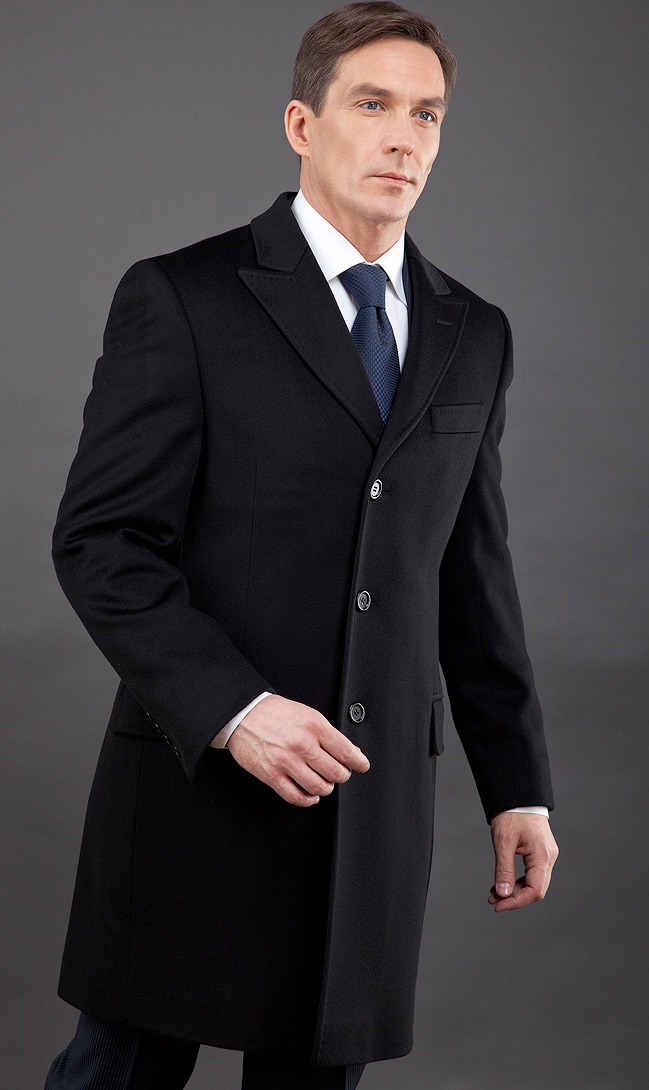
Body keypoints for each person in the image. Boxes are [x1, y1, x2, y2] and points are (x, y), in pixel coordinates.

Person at [43, 4, 558, 1088]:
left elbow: (469, 577)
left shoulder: (475, 331)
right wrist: (236, 710)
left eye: (426, 113)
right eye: (372, 104)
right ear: (301, 124)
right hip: (193, 794)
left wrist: (517, 786)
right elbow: (102, 543)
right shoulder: (183, 296)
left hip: (367, 817)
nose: (403, 137)